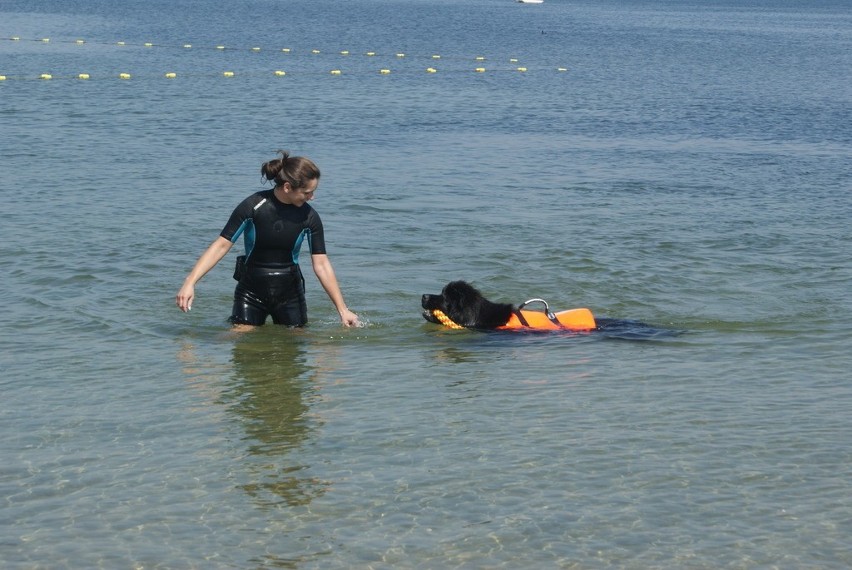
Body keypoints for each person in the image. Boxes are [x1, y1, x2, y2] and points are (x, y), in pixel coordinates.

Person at [176, 150, 359, 328]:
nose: (312, 197)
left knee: (294, 347)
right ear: (287, 187)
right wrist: (190, 282)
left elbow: (321, 264)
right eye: (307, 192)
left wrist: (343, 310)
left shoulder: (309, 217)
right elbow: (221, 245)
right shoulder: (253, 206)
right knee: (240, 341)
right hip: (250, 291)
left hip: (291, 294)